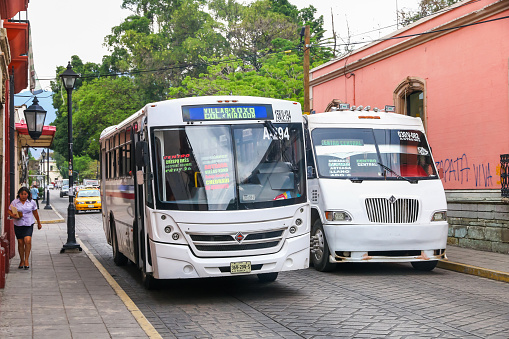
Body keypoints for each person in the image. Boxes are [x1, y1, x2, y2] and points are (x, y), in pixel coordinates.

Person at [7, 186, 42, 270]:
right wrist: (12, 215)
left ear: (28, 195)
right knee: (20, 242)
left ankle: (26, 260)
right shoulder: (15, 202)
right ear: (19, 194)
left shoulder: (32, 202)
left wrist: (39, 223)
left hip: (29, 224)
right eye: (22, 194)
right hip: (18, 224)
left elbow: (35, 213)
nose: (23, 196)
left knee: (28, 240)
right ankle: (21, 260)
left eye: (25, 194)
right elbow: (9, 210)